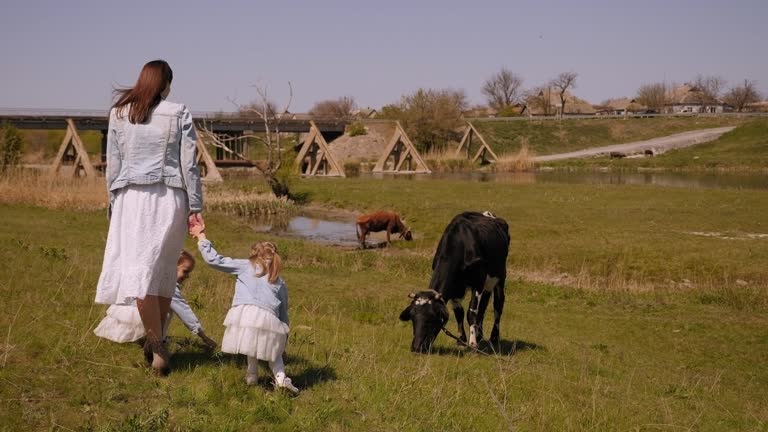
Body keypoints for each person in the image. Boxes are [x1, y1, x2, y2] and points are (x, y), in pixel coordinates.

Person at [94, 59, 204, 376]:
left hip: (131, 199)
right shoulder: (179, 112)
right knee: (161, 272)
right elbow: (190, 164)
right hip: (169, 198)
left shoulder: (118, 114)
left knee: (142, 274)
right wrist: (195, 205)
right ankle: (157, 344)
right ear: (165, 84)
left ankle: (156, 345)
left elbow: (112, 163)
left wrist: (113, 202)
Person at [190, 225, 299, 393]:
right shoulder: (278, 280)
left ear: (254, 254)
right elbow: (283, 311)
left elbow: (214, 260)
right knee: (272, 350)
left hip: (244, 313)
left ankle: (252, 376)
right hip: (268, 317)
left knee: (251, 341)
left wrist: (201, 237)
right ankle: (280, 379)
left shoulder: (245, 265)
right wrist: (284, 335)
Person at [94, 251, 217, 353]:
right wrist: (204, 338)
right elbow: (185, 313)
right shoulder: (169, 286)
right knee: (167, 310)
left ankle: (137, 341)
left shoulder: (151, 275)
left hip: (125, 315)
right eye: (185, 271)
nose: (187, 276)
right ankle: (155, 342)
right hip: (139, 318)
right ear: (172, 267)